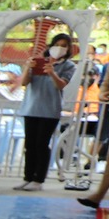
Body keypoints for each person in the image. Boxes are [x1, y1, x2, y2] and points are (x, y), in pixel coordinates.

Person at [17, 31, 76, 191]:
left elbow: (61, 85)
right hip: (31, 107)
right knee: (30, 144)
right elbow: (24, 82)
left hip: (50, 110)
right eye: (57, 44)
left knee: (41, 144)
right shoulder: (38, 61)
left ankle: (39, 179)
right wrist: (28, 68)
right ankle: (27, 177)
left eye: (64, 46)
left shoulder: (68, 66)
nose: (59, 48)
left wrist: (52, 73)